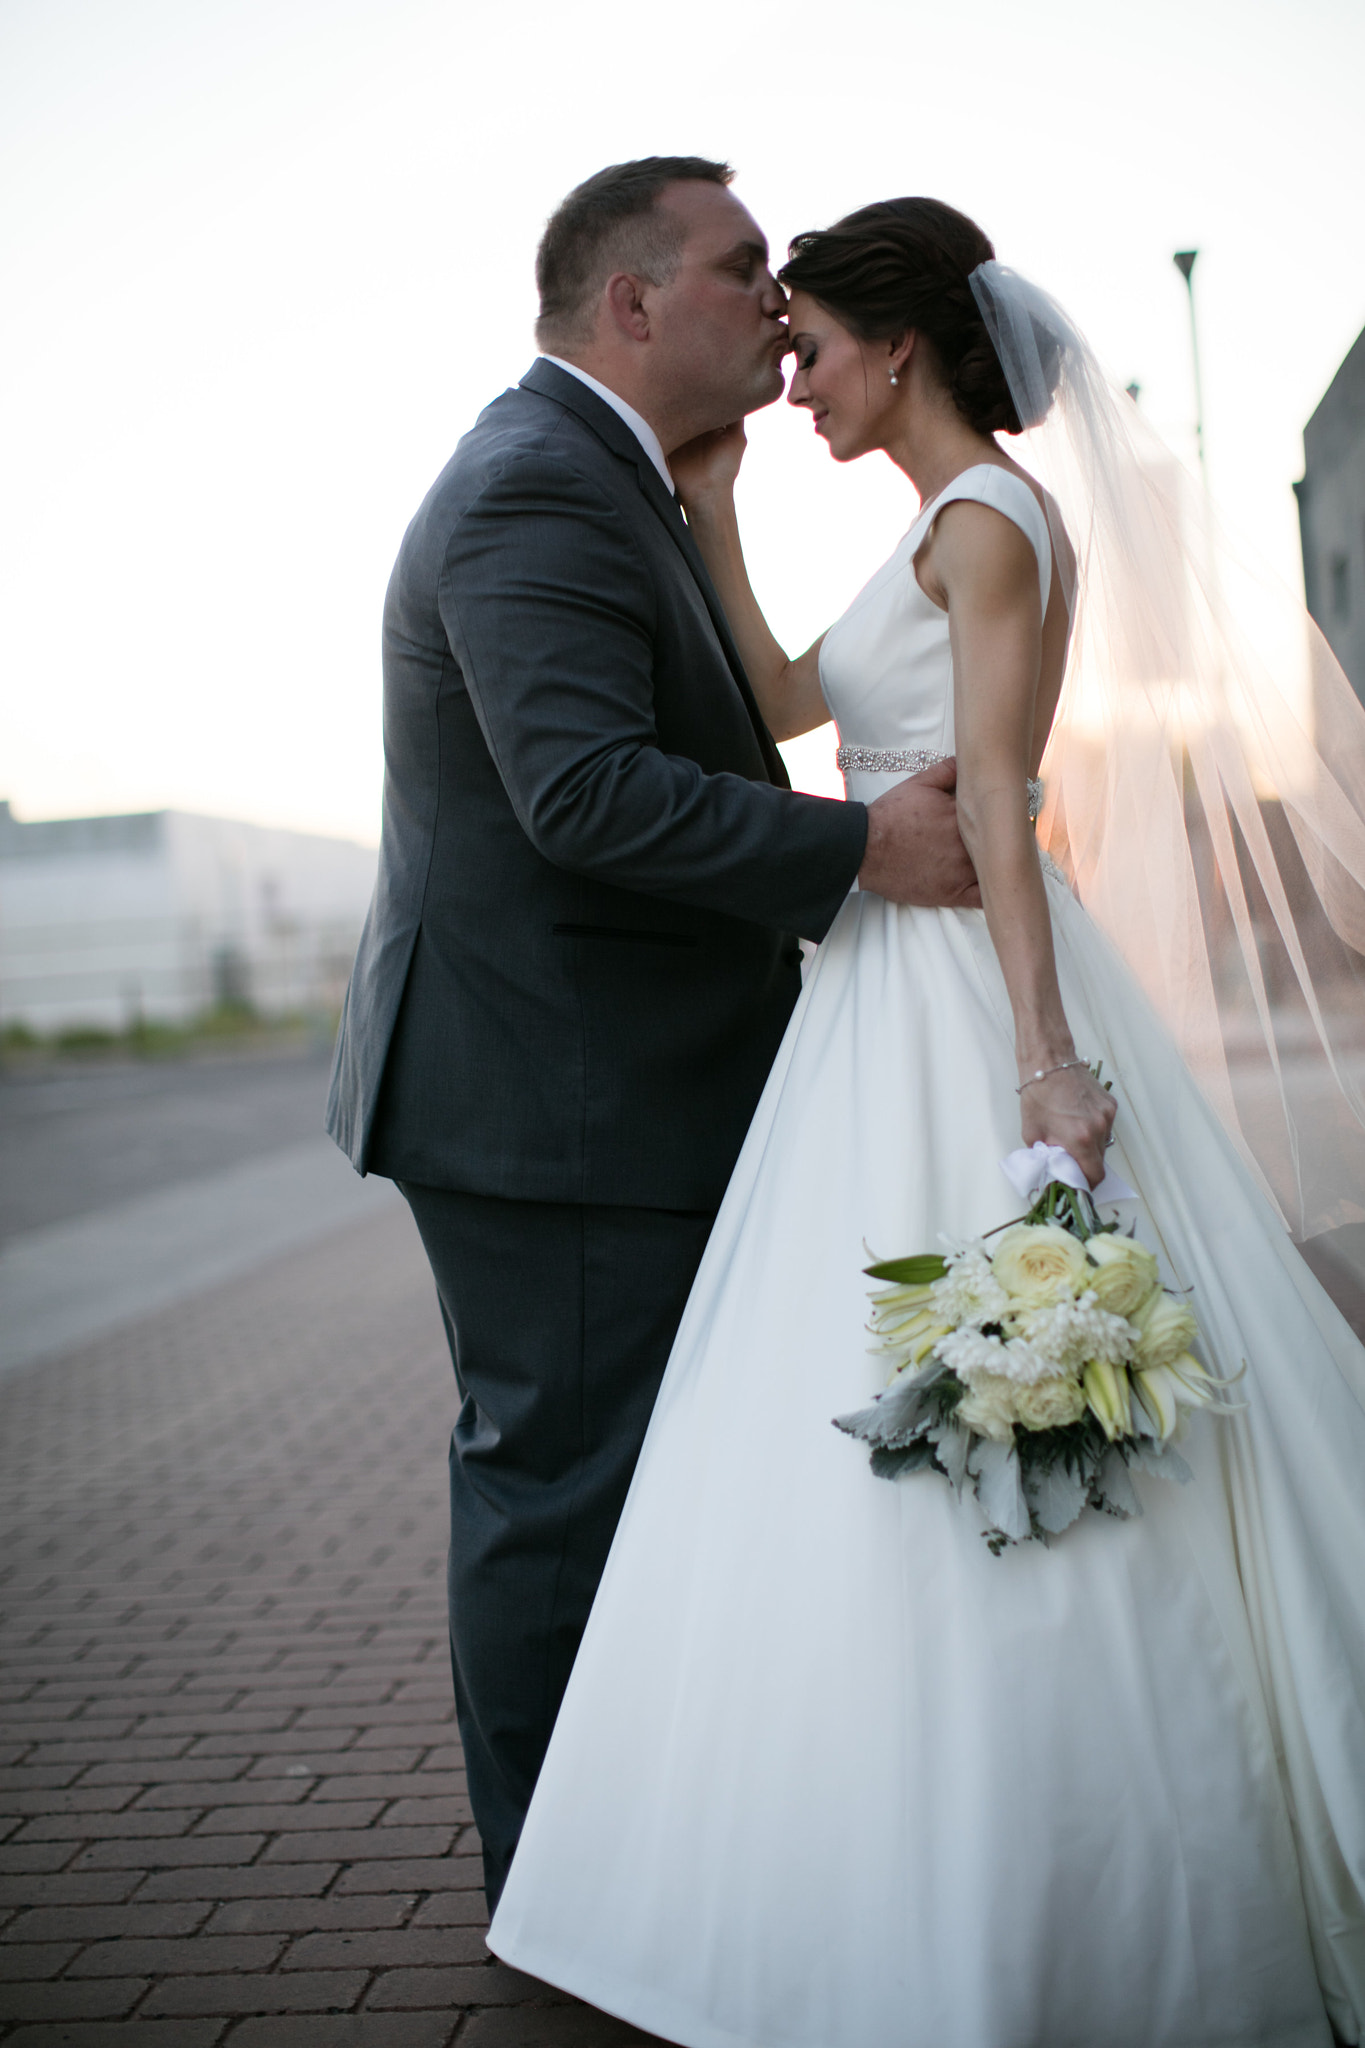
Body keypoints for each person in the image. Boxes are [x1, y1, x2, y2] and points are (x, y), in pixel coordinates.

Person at [487, 198, 1365, 2046]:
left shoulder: (989, 527)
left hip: (960, 986)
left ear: (902, 348)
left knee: (999, 1346)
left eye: (807, 345)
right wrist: (717, 517)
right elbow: (801, 702)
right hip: (868, 989)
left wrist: (1044, 1061)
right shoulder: (930, 533)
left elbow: (990, 793)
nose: (789, 375)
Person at [325, 159, 982, 1910]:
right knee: (560, 1493)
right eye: (740, 268)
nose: (777, 303)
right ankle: (562, 1897)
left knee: (626, 1484)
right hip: (552, 1103)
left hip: (604, 1089)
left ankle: (643, 1858)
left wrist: (714, 508)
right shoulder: (534, 491)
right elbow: (587, 794)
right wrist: (861, 850)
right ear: (631, 304)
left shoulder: (609, 478)